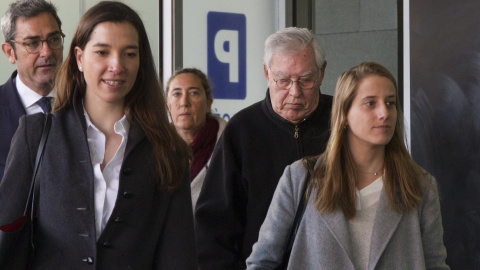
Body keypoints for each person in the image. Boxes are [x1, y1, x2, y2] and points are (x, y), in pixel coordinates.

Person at [0, 1, 197, 269]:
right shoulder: (34, 135)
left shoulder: (168, 149)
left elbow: (178, 257)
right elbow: (5, 238)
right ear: (79, 58)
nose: (117, 65)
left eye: (130, 53)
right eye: (102, 52)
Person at [246, 62, 449, 269]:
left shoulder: (418, 185)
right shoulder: (300, 178)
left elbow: (436, 265)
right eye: (370, 103)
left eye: (390, 103)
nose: (384, 113)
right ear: (344, 114)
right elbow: (261, 262)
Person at [195, 27, 333, 269]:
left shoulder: (344, 120)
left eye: (306, 80)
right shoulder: (241, 130)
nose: (295, 92)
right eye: (283, 80)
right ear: (267, 74)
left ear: (321, 73)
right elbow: (213, 228)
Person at [0, 0, 63, 181]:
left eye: (53, 39)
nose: (47, 52)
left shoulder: (86, 104)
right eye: (32, 43)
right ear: (10, 52)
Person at [166, 68, 227, 210]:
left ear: (209, 103)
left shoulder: (229, 144)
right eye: (176, 94)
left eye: (193, 93)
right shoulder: (153, 147)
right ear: (167, 105)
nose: (184, 102)